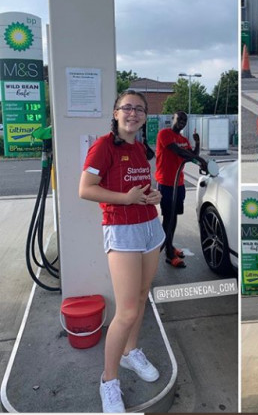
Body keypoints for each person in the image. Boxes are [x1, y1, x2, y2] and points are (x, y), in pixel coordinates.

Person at [79, 90, 164, 413]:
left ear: (145, 116)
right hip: (122, 230)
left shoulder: (142, 148)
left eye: (139, 109)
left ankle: (131, 353)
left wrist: (151, 197)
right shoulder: (103, 146)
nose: (133, 113)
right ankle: (108, 380)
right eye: (126, 108)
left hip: (150, 228)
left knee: (142, 297)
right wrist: (126, 199)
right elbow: (85, 189)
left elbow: (143, 187)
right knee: (126, 310)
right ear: (115, 113)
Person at [155, 110, 208, 268]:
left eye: (185, 120)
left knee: (175, 216)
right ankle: (168, 254)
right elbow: (177, 151)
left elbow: (191, 155)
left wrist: (197, 144)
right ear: (173, 118)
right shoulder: (165, 134)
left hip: (179, 183)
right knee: (168, 218)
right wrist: (198, 158)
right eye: (179, 119)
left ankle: (170, 245)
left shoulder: (184, 139)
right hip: (166, 183)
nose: (182, 122)